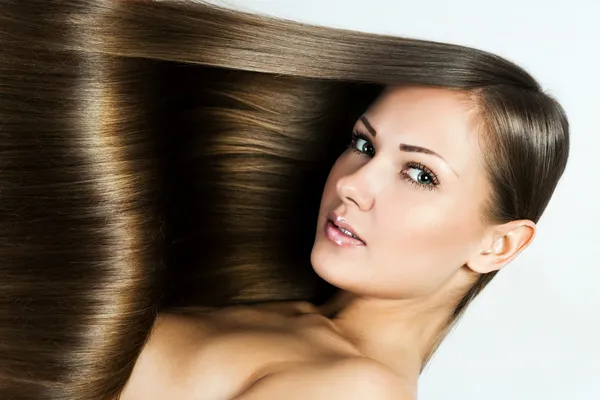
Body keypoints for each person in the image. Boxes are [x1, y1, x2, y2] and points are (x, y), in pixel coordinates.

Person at [0, 1, 568, 399]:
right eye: (363, 143)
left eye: (420, 174)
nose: (353, 183)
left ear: (499, 245)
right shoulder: (295, 322)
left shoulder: (355, 391)